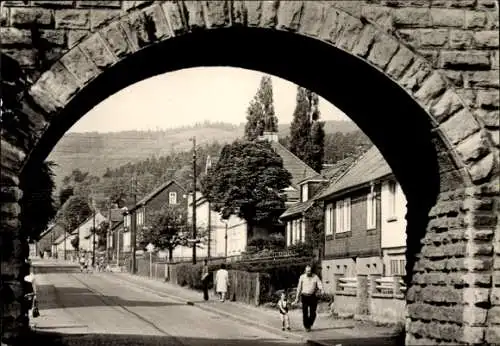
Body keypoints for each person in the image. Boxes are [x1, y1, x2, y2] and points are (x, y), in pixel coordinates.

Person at [293, 264, 324, 332]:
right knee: (305, 313)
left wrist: (322, 290)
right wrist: (297, 298)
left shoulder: (315, 277)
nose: (308, 272)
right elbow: (299, 288)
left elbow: (319, 284)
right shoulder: (302, 277)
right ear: (305, 271)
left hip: (313, 296)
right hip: (304, 296)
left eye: (309, 271)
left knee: (313, 313)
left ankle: (310, 323)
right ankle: (306, 326)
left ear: (311, 271)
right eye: (307, 271)